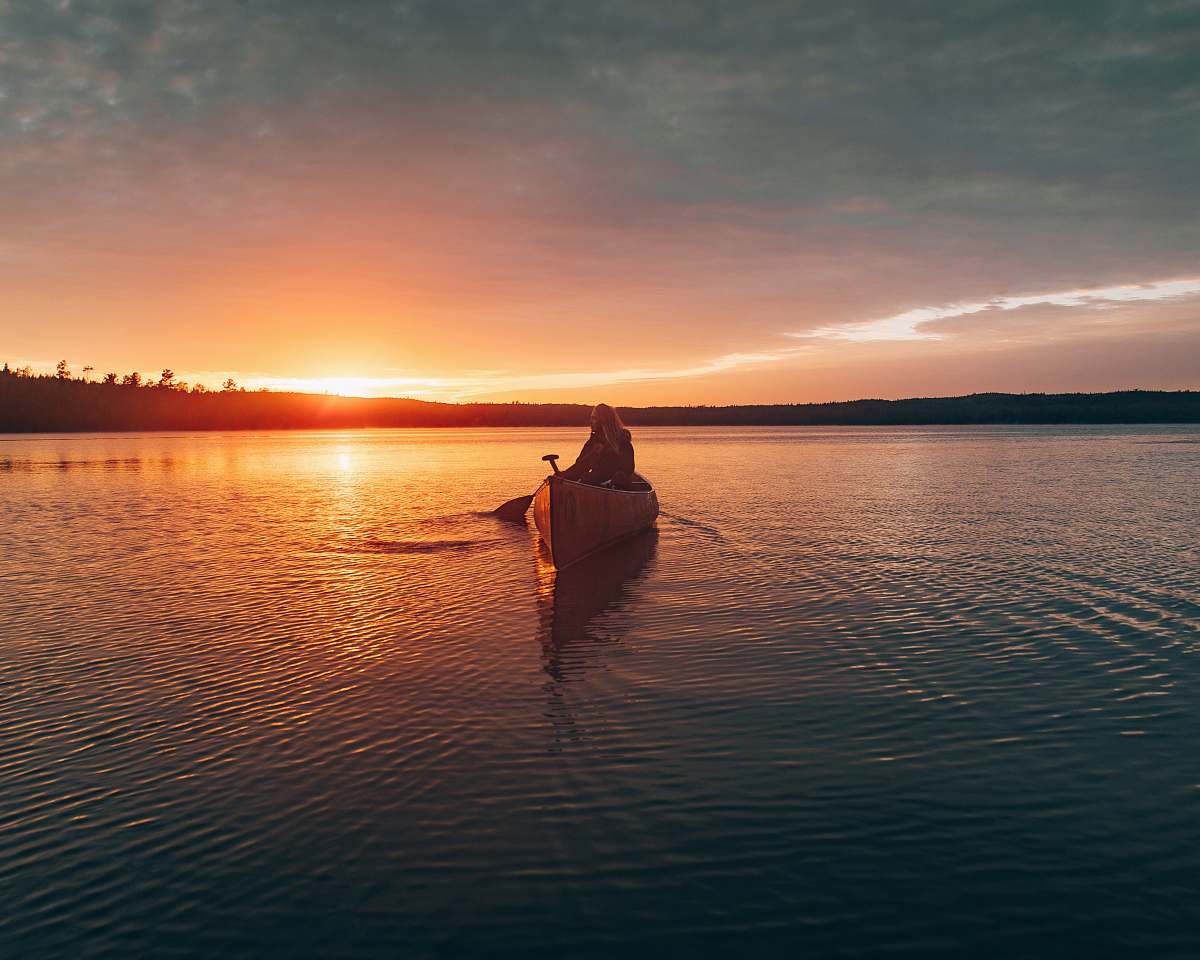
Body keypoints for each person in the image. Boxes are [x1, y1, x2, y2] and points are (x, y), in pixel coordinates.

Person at [559, 403, 636, 488]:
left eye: (594, 418)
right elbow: (580, 466)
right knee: (586, 477)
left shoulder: (623, 443)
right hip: (596, 486)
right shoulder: (592, 443)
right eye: (591, 418)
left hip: (617, 488)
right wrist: (563, 475)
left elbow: (628, 469)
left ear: (604, 421)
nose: (590, 421)